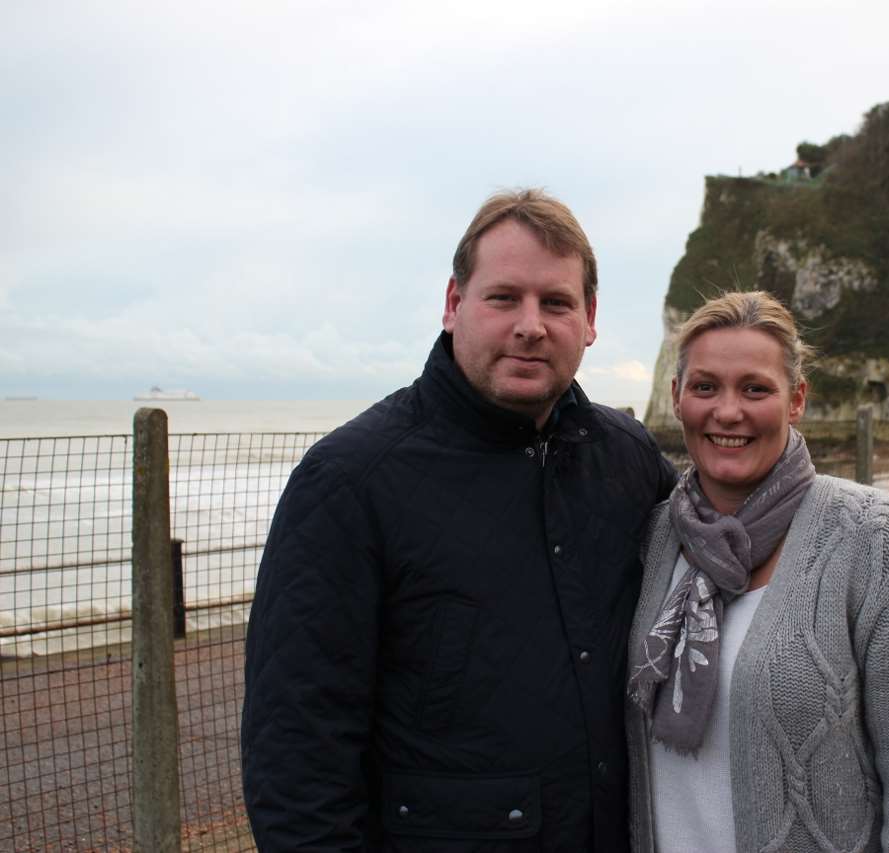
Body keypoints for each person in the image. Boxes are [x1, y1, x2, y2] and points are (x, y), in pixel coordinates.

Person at [241, 189, 677, 851]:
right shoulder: (350, 481)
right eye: (504, 297)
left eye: (555, 302)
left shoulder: (627, 459)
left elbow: (727, 561)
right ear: (454, 304)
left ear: (589, 319)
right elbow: (297, 752)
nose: (530, 324)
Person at [625, 291, 889, 852]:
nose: (728, 411)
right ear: (676, 397)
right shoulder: (655, 538)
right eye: (705, 386)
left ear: (797, 400)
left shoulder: (872, 539)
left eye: (756, 388)